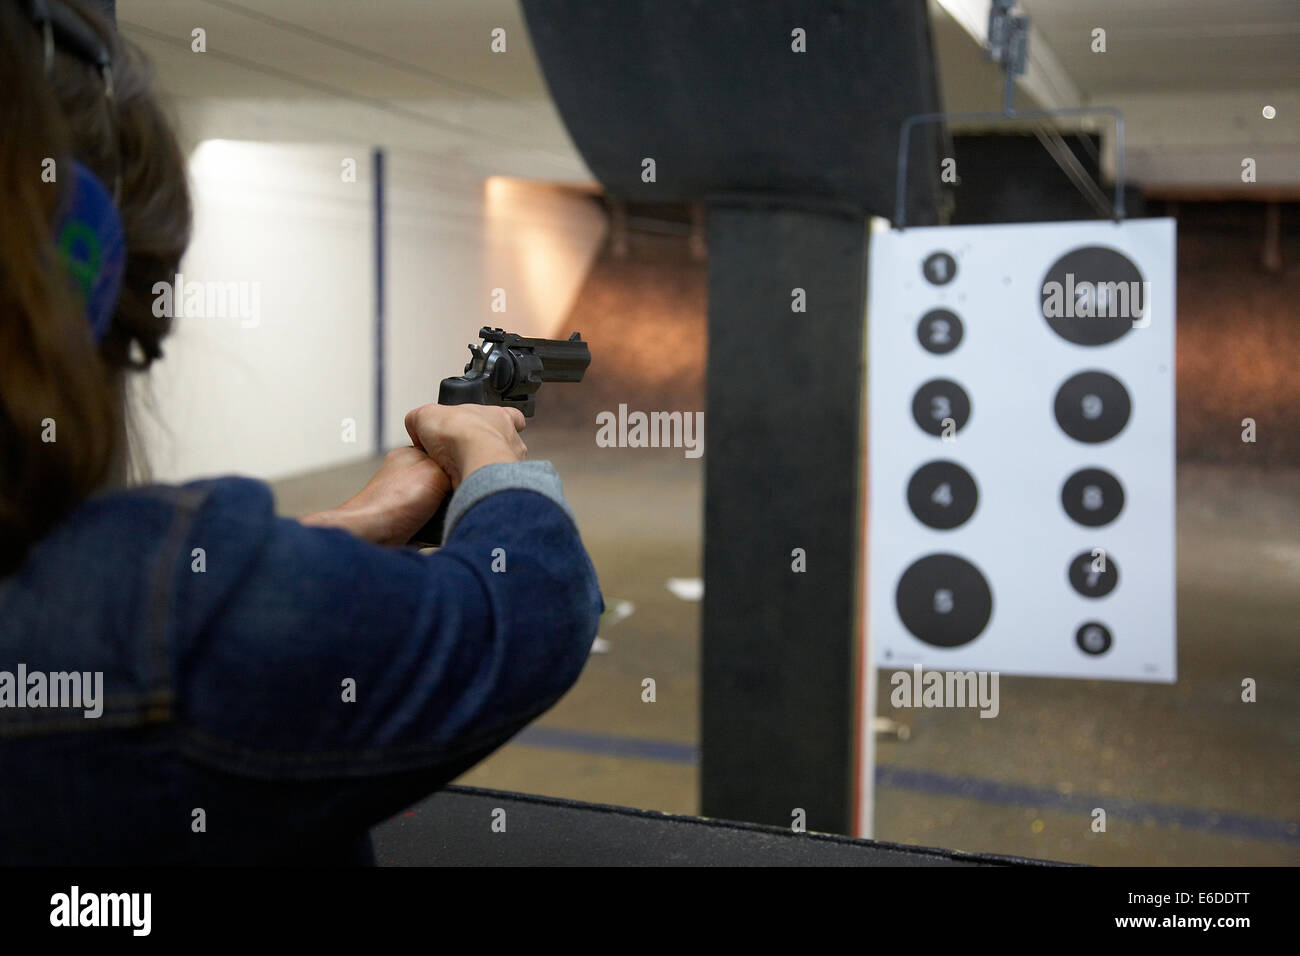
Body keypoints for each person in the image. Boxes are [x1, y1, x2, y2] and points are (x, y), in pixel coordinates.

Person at [0, 0, 603, 864]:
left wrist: (337, 535)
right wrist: (490, 454)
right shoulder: (159, 619)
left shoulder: (153, 609)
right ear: (79, 267)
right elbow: (537, 609)